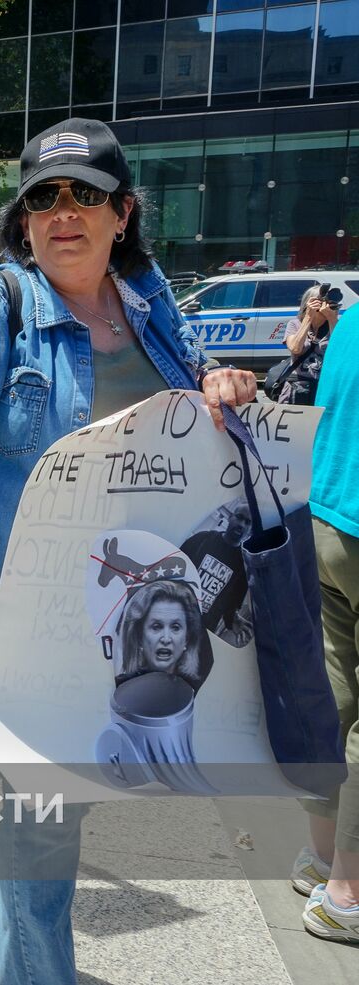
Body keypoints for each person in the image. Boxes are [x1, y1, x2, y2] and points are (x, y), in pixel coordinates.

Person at [0, 118, 255, 982]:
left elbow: (188, 417)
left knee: (60, 794)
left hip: (122, 612)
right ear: (24, 221)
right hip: (13, 612)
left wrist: (220, 385)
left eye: (86, 195)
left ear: (122, 212)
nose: (65, 213)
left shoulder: (151, 301)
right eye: (44, 198)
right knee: (49, 806)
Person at [294, 302, 359, 945]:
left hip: (329, 516)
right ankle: (348, 891)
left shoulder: (353, 320)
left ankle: (320, 857)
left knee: (335, 695)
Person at [115, 579, 210, 690]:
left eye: (175, 627)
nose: (166, 639)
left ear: (187, 638)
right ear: (139, 637)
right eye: (156, 627)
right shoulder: (117, 686)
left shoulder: (196, 691)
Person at [181, 503, 252, 647]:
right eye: (239, 517)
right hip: (175, 619)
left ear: (251, 530)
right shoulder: (202, 539)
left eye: (248, 522)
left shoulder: (243, 567)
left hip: (200, 635)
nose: (242, 525)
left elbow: (230, 606)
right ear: (230, 517)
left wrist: (232, 620)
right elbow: (174, 567)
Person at [277, 283, 339, 406]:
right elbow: (295, 348)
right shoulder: (295, 324)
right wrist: (308, 317)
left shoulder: (336, 325)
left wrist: (332, 319)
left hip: (324, 387)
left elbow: (340, 351)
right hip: (297, 387)